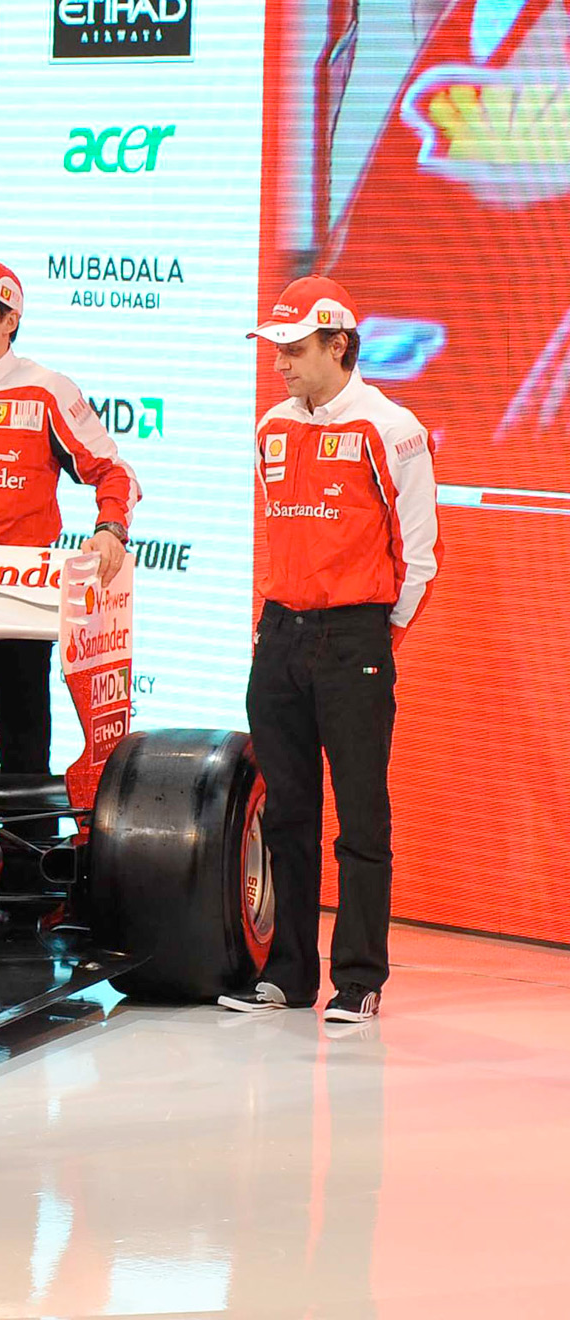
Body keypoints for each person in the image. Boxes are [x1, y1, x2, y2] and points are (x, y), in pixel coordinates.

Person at [219, 276, 440, 1024]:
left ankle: (359, 979)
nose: (279, 362)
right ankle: (288, 974)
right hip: (279, 636)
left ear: (338, 345)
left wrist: (374, 636)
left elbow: (420, 556)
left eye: (293, 349)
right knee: (286, 812)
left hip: (355, 640)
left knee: (361, 818)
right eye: (275, 348)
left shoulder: (392, 428)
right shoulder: (271, 427)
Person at [0, 259, 140, 773]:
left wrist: (110, 529)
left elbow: (114, 471)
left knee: (24, 755)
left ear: (8, 320)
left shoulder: (46, 388)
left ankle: (27, 830)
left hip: (18, 598)